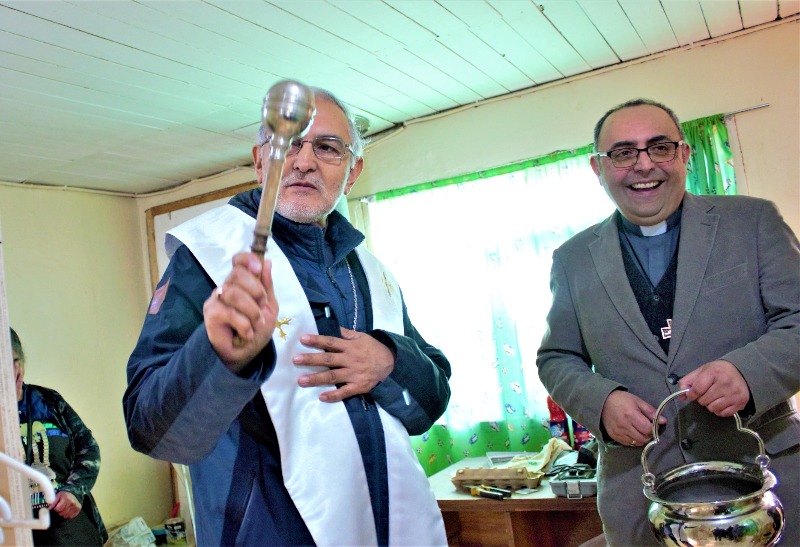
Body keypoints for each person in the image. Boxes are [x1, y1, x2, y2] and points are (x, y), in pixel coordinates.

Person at [124, 86, 451, 546]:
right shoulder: (206, 258)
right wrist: (219, 356)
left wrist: (389, 361)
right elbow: (151, 430)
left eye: (328, 147)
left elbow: (431, 398)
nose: (303, 161)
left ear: (352, 172)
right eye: (288, 144)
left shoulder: (372, 273)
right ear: (261, 161)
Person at [536, 98, 799, 546]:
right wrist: (601, 402)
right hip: (639, 499)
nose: (644, 165)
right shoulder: (572, 259)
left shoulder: (753, 222)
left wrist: (748, 372)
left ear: (685, 155)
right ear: (598, 167)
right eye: (623, 153)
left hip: (764, 486)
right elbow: (556, 357)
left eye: (659, 147)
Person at [11, 327, 107, 546]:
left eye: (15, 362)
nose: (13, 371)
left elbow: (88, 447)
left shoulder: (49, 401)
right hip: (16, 529)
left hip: (67, 524)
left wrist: (74, 490)